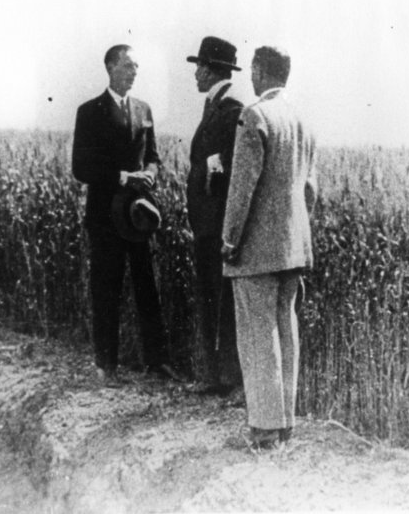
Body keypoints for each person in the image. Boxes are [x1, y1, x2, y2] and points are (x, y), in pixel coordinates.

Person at [221, 46, 317, 448]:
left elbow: (241, 187)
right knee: (286, 331)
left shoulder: (255, 115)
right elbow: (310, 190)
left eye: (253, 70)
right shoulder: (302, 119)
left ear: (260, 71)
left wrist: (230, 239)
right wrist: (296, 234)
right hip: (293, 247)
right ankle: (286, 424)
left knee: (258, 336)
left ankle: (264, 429)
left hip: (256, 251)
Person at [72, 44, 181, 387]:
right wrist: (123, 177)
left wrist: (149, 173)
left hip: (139, 215)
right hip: (105, 216)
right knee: (107, 289)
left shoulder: (144, 109)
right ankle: (106, 365)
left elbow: (153, 157)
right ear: (110, 68)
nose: (134, 72)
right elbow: (81, 167)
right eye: (128, 66)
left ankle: (157, 363)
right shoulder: (89, 112)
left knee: (147, 287)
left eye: (136, 67)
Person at [184, 36, 244, 396]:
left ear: (210, 70)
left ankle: (226, 378)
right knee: (210, 297)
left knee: (220, 301)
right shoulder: (216, 107)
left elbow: (230, 172)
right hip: (207, 223)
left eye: (199, 67)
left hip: (217, 224)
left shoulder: (231, 111)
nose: (195, 74)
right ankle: (216, 376)